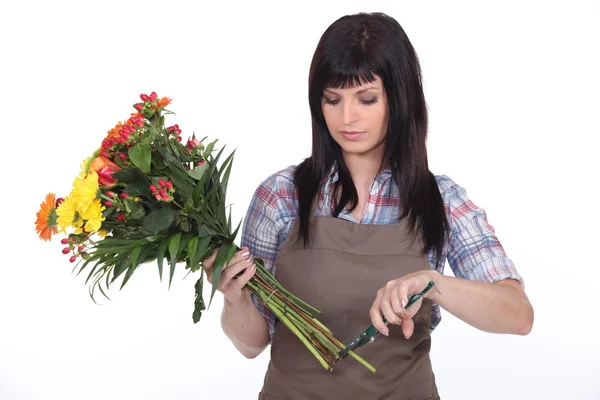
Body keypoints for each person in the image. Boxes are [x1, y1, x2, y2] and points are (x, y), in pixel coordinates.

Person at [202, 11, 534, 400]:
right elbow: (251, 344)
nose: (347, 118)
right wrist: (235, 296)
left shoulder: (440, 201)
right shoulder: (281, 196)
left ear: (401, 97)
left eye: (367, 99)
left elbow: (518, 315)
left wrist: (433, 282)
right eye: (332, 99)